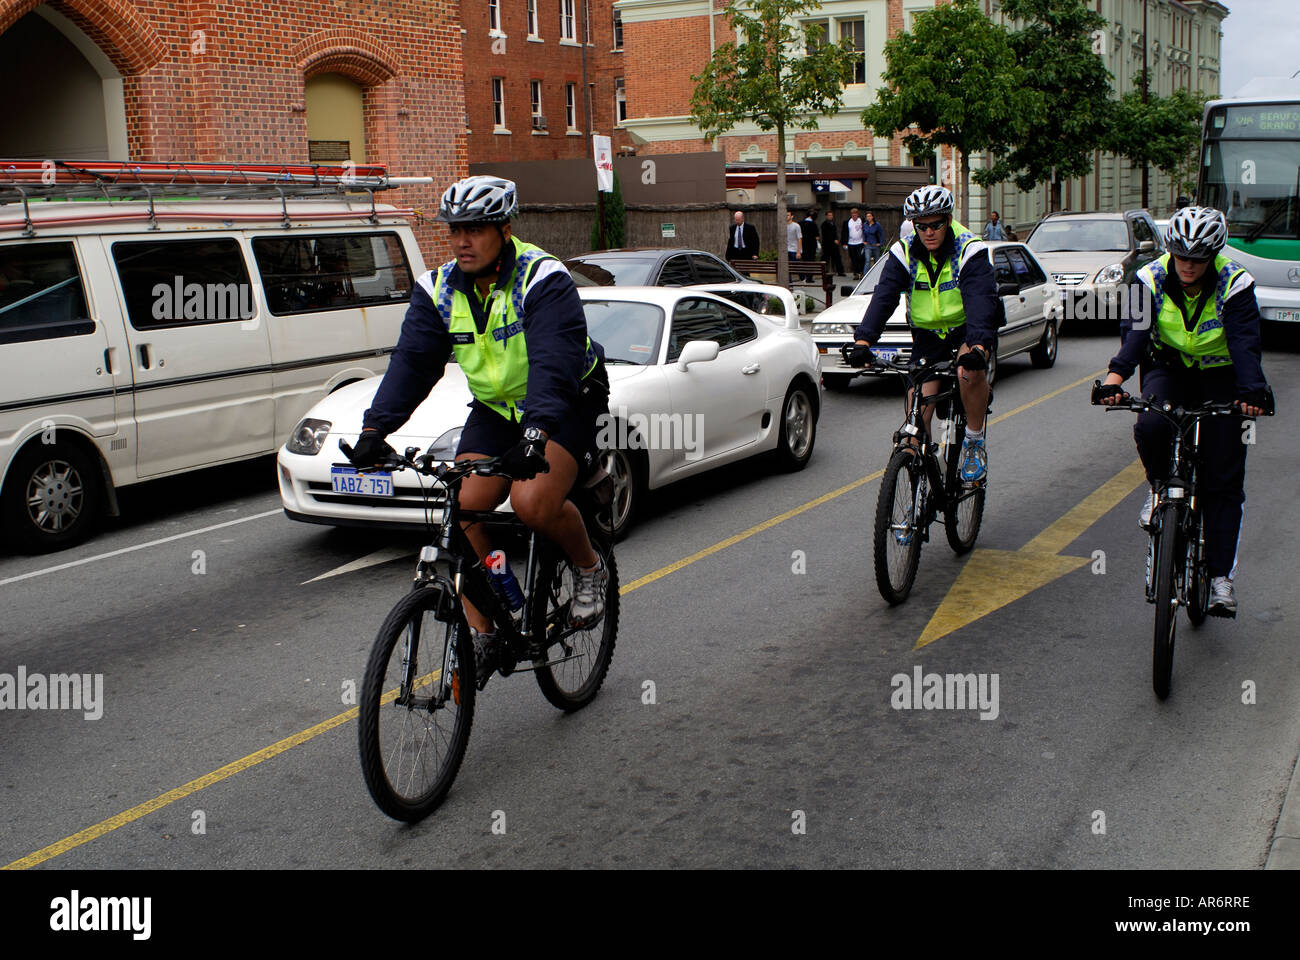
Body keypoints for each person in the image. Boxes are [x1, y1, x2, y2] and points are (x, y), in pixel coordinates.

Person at [346, 175, 612, 672]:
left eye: (476, 228)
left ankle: (588, 568)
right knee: (463, 507)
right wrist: (373, 431)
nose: (462, 240)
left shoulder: (542, 278)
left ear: (504, 228)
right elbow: (413, 364)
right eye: (454, 230)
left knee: (533, 502)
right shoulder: (439, 290)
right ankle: (488, 625)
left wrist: (536, 434)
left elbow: (554, 363)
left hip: (566, 400)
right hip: (496, 408)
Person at [1094, 206, 1272, 617]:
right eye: (1181, 256)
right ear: (1170, 250)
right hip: (1167, 368)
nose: (1188, 265)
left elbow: (1245, 344)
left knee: (1223, 480)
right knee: (1152, 424)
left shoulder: (1236, 283)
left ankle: (1221, 577)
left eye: (1198, 258)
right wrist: (1114, 381)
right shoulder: (1147, 279)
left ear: (1214, 255)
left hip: (1222, 375)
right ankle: (1160, 490)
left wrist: (1252, 393)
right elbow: (1134, 336)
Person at [845, 185, 999, 485]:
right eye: (921, 226)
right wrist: (863, 340)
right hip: (928, 336)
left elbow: (981, 300)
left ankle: (974, 441)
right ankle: (918, 485)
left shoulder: (969, 249)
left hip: (966, 330)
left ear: (948, 219)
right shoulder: (904, 252)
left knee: (969, 372)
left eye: (936, 225)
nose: (928, 232)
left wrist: (979, 346)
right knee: (918, 409)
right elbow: (884, 296)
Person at [841, 206, 867, 279]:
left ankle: (861, 272)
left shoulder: (862, 221)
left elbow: (866, 230)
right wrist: (844, 243)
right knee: (853, 258)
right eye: (852, 214)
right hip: (851, 243)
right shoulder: (847, 222)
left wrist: (865, 240)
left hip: (860, 242)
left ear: (857, 214)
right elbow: (844, 233)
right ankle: (855, 273)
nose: (854, 215)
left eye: (855, 214)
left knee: (861, 257)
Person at [821, 210, 844, 275]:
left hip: (834, 244)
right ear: (826, 216)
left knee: (837, 257)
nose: (830, 217)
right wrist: (833, 240)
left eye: (831, 215)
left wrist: (836, 239)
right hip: (827, 244)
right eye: (829, 215)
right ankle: (824, 271)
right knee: (825, 258)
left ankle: (840, 271)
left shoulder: (833, 223)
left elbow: (835, 233)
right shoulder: (824, 224)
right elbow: (826, 234)